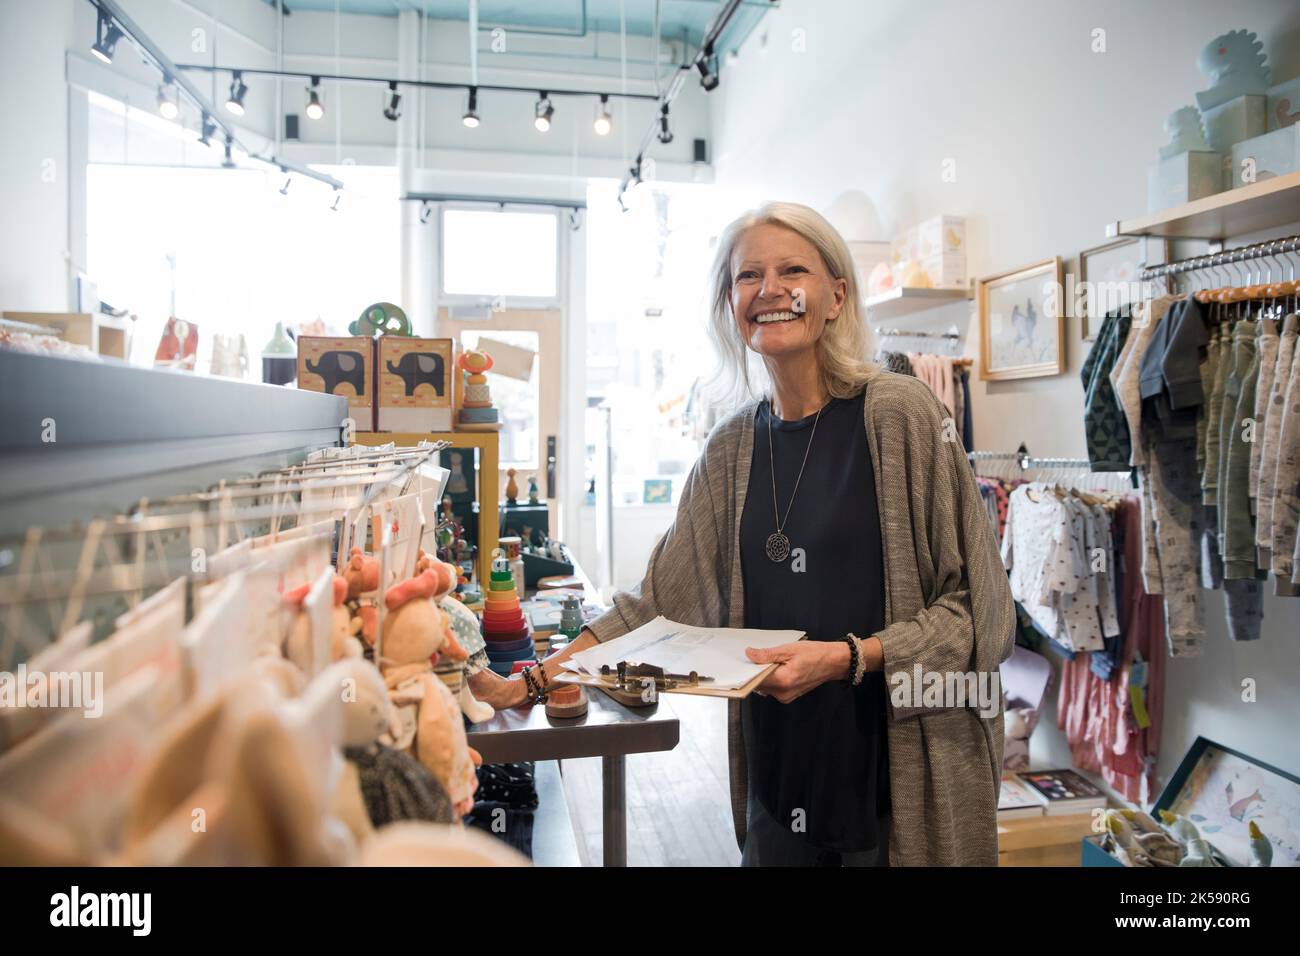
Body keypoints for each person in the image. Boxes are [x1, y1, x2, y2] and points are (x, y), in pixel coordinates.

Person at [470, 201, 1015, 866]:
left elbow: (979, 617)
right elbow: (653, 606)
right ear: (730, 302)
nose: (770, 290)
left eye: (794, 270)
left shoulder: (900, 416)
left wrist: (846, 657)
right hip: (780, 780)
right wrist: (525, 684)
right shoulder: (732, 450)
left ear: (836, 295)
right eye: (748, 275)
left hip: (902, 783)